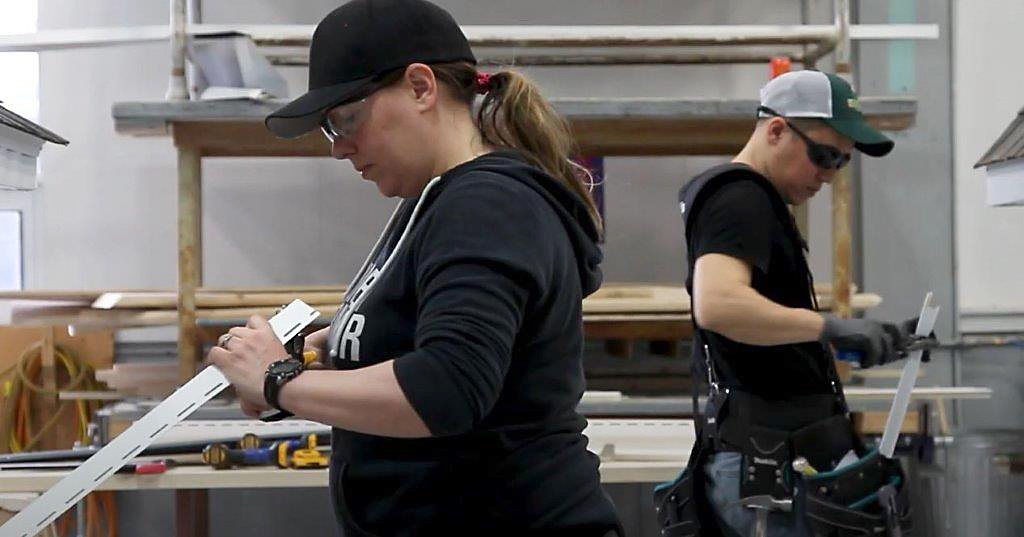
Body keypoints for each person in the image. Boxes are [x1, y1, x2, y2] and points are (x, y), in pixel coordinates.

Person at [204, 0, 623, 535]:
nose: (340, 150)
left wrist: (278, 381)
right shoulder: (436, 200)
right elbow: (420, 334)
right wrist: (319, 349)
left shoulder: (486, 205)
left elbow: (445, 386)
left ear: (421, 87)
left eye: (346, 120)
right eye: (330, 131)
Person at [658, 70, 923, 536]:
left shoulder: (750, 200)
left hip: (778, 451)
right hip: (766, 461)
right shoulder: (740, 198)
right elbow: (718, 305)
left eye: (841, 161)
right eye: (822, 155)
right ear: (776, 130)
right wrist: (829, 328)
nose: (828, 173)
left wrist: (848, 343)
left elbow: (754, 328)